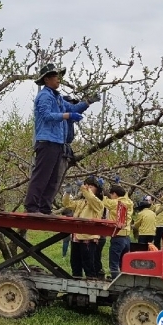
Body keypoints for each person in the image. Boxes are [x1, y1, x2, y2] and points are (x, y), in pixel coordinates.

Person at [23, 63, 98, 214]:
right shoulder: (44, 96)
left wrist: (88, 102)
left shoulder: (57, 98)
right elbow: (46, 115)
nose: (59, 79)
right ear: (47, 79)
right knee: (42, 175)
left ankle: (44, 207)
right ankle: (32, 206)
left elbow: (73, 108)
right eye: (56, 77)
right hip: (47, 141)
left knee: (53, 178)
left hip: (58, 142)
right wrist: (67, 116)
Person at [61, 176, 106, 278]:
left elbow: (91, 198)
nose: (88, 188)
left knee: (89, 265)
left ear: (97, 189)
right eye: (87, 186)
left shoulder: (98, 204)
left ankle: (91, 286)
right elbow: (67, 203)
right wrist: (67, 193)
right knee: (75, 264)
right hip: (76, 238)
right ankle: (76, 287)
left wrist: (83, 187)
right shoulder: (82, 202)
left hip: (88, 239)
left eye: (91, 186)